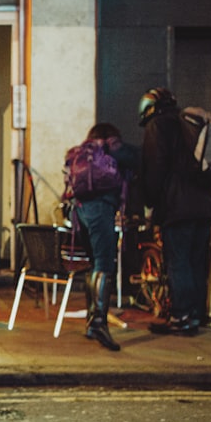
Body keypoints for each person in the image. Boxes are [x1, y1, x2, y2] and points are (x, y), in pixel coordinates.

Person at [139, 86, 211, 336]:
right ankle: (192, 314)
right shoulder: (189, 125)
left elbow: (155, 167)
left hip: (178, 206)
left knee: (179, 261)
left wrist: (150, 202)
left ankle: (181, 317)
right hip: (205, 207)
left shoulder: (159, 125)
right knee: (196, 262)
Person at [70, 123, 139, 351]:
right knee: (105, 263)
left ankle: (92, 321)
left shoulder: (83, 150)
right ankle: (99, 322)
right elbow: (135, 158)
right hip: (101, 209)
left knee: (95, 264)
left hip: (81, 211)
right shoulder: (112, 146)